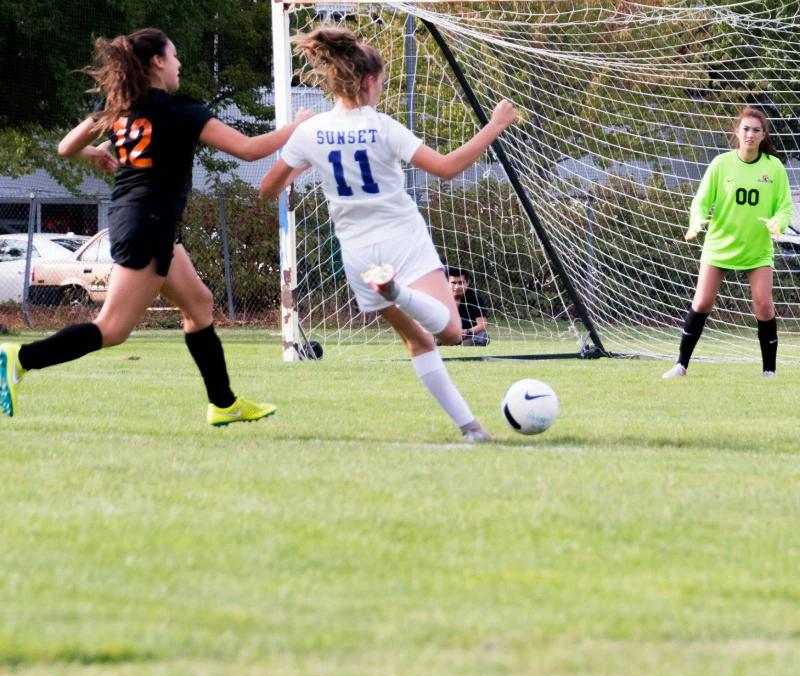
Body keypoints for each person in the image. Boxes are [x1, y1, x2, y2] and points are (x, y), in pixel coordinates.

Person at [0, 27, 310, 425]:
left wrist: (96, 152)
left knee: (199, 305)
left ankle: (223, 403)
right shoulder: (181, 111)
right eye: (175, 56)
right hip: (148, 224)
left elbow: (66, 147)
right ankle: (20, 360)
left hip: (141, 221)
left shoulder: (120, 108)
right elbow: (248, 150)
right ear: (159, 62)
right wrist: (298, 126)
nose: (179, 64)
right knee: (112, 329)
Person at [259, 26, 517, 443]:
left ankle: (472, 429)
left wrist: (302, 164)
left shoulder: (310, 132)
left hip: (359, 253)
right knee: (450, 332)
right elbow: (447, 168)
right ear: (367, 81)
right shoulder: (382, 126)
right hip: (402, 237)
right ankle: (397, 291)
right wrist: (495, 126)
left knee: (419, 341)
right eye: (381, 82)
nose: (382, 89)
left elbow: (268, 189)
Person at [662, 106, 793, 380]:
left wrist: (777, 223)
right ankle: (681, 365)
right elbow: (701, 201)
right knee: (702, 303)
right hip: (719, 246)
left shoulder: (774, 167)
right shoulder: (721, 164)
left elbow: (784, 207)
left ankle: (769, 371)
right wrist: (695, 221)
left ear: (763, 135)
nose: (750, 134)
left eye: (756, 130)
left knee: (764, 306)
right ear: (737, 132)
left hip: (756, 250)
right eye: (745, 129)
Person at [447, 266, 490, 347]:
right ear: (447, 283)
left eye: (461, 283)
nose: (457, 287)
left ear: (467, 283)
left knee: (484, 337)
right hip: (446, 335)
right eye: (453, 283)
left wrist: (467, 331)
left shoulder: (475, 297)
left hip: (468, 335)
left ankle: (465, 344)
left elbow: (483, 325)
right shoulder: (440, 297)